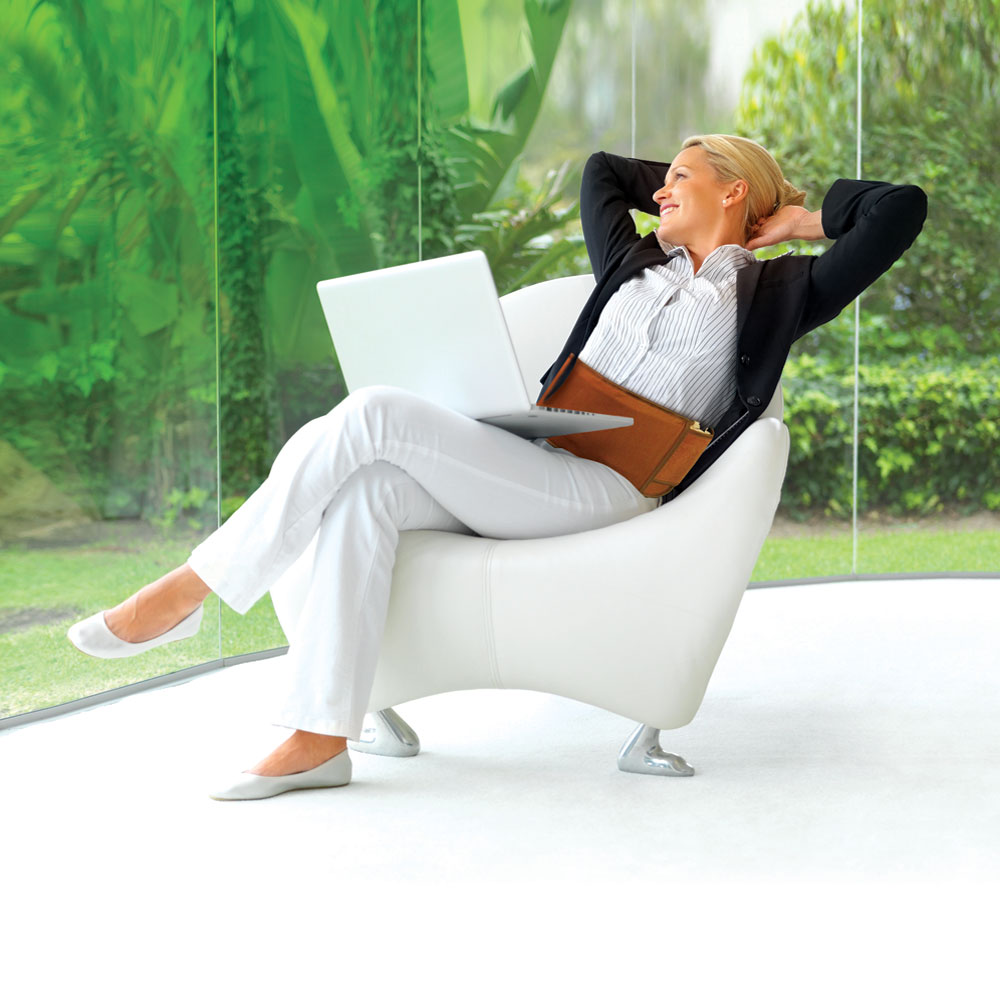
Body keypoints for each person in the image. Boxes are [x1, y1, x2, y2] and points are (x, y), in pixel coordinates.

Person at [67, 134, 927, 800]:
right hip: (531, 461)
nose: (659, 188)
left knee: (372, 412)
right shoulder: (630, 261)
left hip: (611, 491)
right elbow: (600, 172)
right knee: (367, 487)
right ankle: (320, 737)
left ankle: (192, 589)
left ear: (734, 191)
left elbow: (899, 209)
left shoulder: (780, 293)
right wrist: (696, 183)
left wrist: (792, 220)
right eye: (661, 179)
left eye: (683, 178)